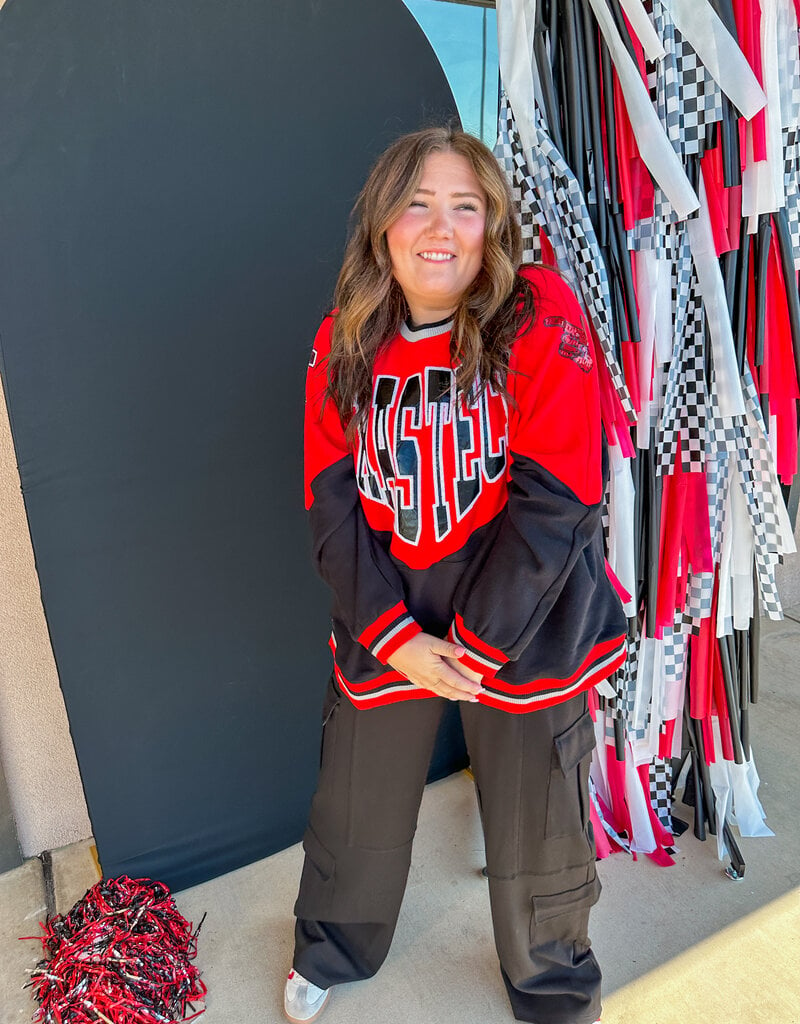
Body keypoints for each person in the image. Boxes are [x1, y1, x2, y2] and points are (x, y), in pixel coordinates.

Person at [285, 126, 627, 1024]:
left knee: (540, 812)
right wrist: (397, 640)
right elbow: (330, 500)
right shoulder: (345, 338)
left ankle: (551, 983)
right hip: (392, 619)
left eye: (465, 206)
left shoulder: (540, 317)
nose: (441, 227)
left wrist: (470, 649)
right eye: (418, 203)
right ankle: (335, 947)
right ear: (383, 223)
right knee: (355, 797)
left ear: (493, 225)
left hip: (524, 619)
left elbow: (559, 501)